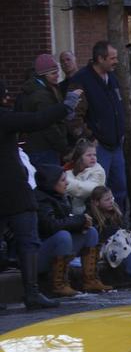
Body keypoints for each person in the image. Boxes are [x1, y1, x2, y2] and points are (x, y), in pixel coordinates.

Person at [0, 82, 80, 309]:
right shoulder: (4, 118)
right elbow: (36, 120)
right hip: (13, 189)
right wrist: (65, 107)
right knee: (28, 240)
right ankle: (32, 292)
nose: (7, 99)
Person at [34, 164, 112, 296]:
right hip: (38, 254)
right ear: (51, 183)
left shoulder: (59, 196)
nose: (67, 183)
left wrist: (81, 224)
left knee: (90, 232)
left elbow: (65, 222)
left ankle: (90, 280)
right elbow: (50, 226)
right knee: (63, 236)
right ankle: (58, 284)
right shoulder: (41, 200)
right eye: (63, 180)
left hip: (56, 250)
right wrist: (78, 221)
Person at [69, 40, 127, 208]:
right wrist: (89, 139)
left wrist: (121, 133)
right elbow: (73, 116)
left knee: (120, 190)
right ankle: (100, 229)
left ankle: (120, 227)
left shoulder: (112, 78)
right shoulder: (81, 80)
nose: (116, 61)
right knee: (97, 192)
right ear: (100, 59)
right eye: (112, 58)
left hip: (116, 145)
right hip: (97, 148)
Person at [20, 53, 72, 166]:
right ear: (43, 75)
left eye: (57, 72)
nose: (57, 75)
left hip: (41, 147)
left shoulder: (44, 89)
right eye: (53, 73)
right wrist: (64, 148)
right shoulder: (42, 95)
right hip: (44, 149)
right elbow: (49, 125)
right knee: (51, 182)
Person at [63, 138, 106, 215]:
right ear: (79, 157)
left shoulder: (98, 171)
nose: (93, 158)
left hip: (94, 215)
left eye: (94, 155)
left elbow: (86, 190)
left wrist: (62, 180)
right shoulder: (68, 170)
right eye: (89, 155)